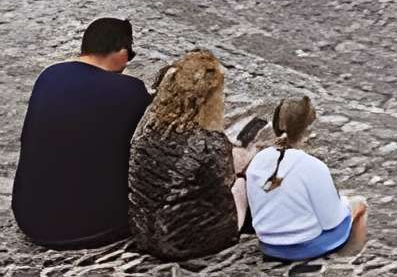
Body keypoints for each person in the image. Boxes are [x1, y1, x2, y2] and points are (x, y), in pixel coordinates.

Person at [12, 17, 150, 250]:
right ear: (121, 50)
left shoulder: (49, 76)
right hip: (93, 228)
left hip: (29, 218)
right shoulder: (131, 90)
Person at [125, 49, 244, 262]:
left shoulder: (148, 123)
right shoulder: (208, 141)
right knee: (243, 185)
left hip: (144, 231)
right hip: (187, 240)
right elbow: (226, 181)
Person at [246, 95, 367, 265]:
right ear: (307, 130)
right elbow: (331, 222)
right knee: (359, 204)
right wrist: (345, 203)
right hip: (304, 246)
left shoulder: (258, 160)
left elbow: (266, 193)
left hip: (268, 244)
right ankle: (349, 262)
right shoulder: (313, 166)